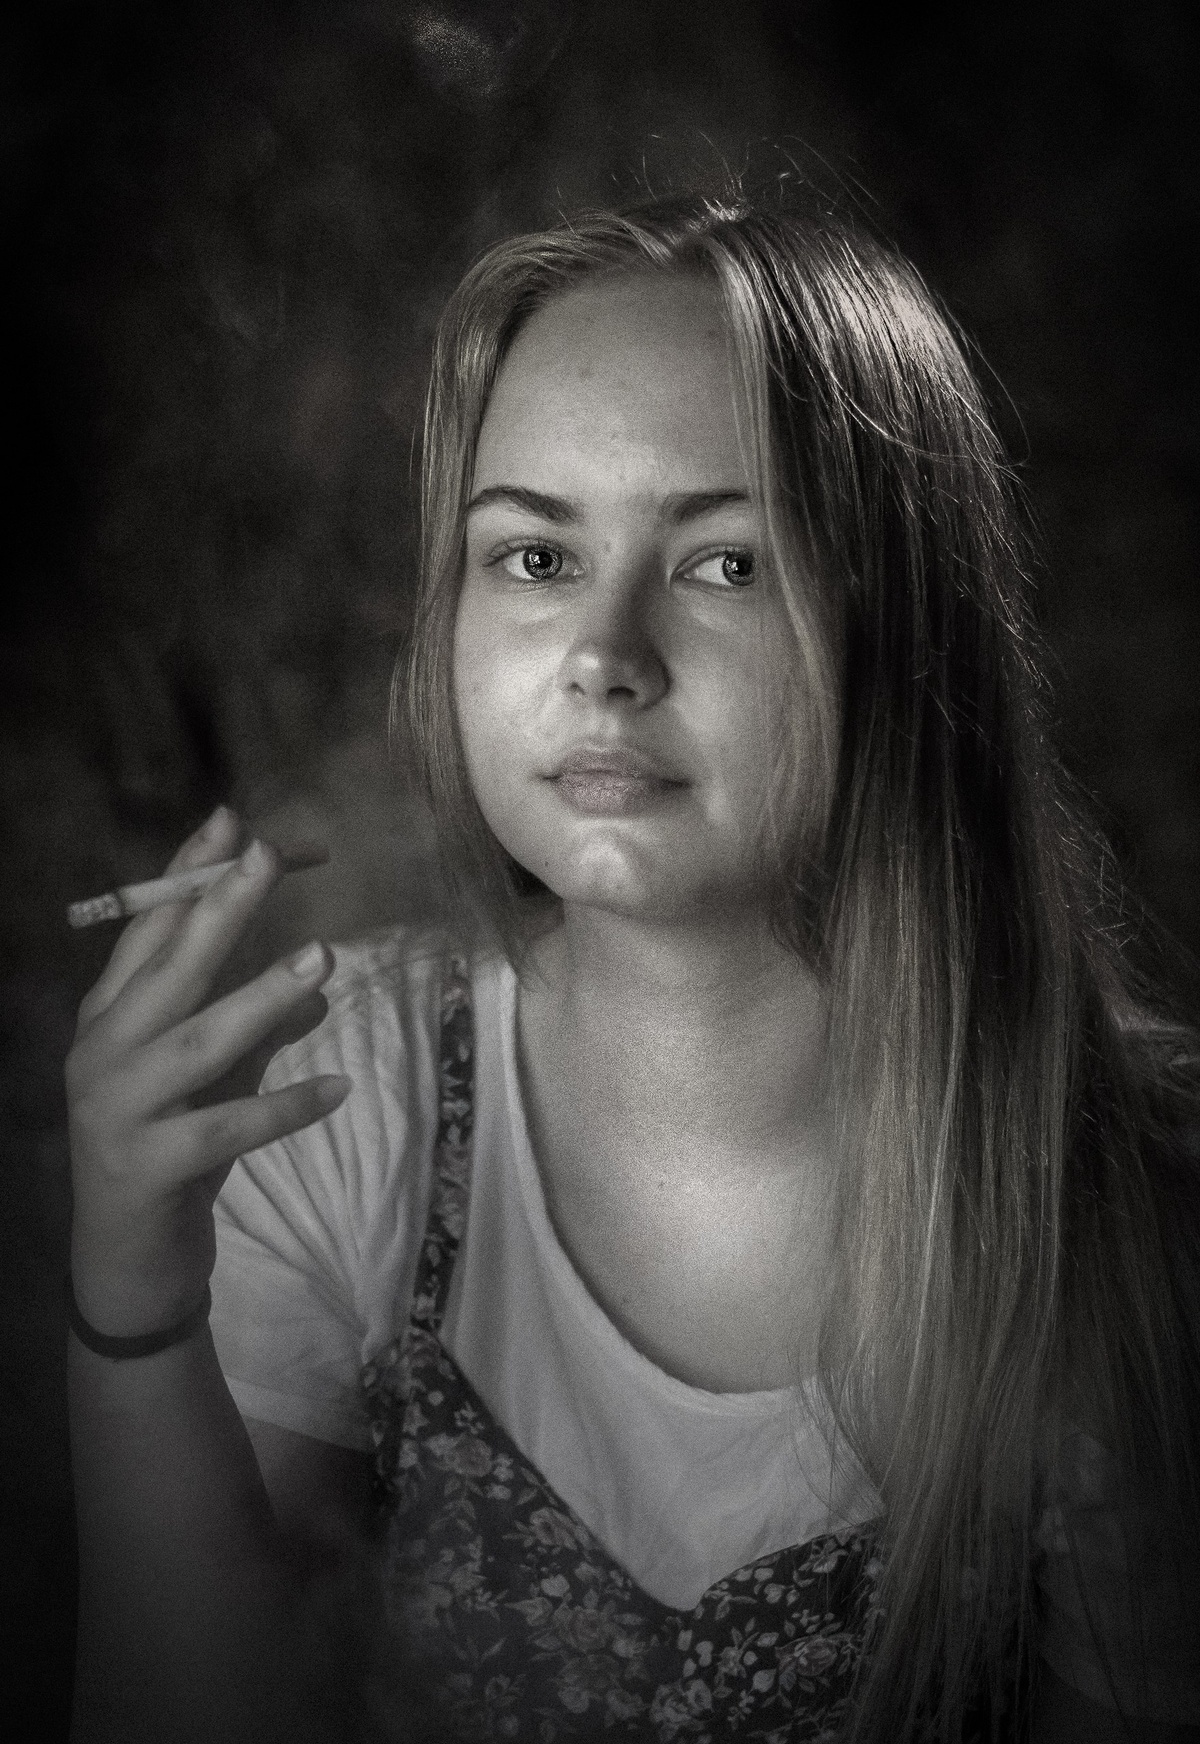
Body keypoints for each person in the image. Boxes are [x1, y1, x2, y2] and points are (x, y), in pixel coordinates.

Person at [65, 191, 1200, 1744]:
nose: (604, 655)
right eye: (534, 555)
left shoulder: (1119, 1210)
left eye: (725, 564)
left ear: (908, 624)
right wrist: (136, 1319)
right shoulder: (341, 1104)